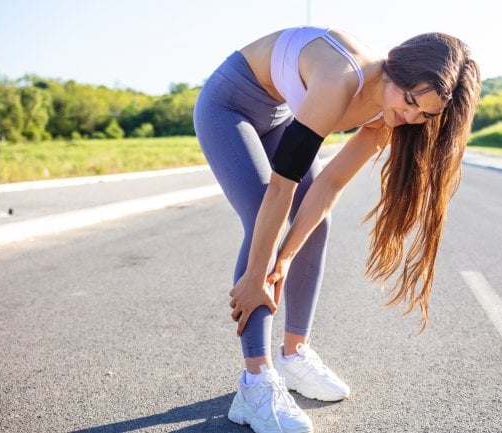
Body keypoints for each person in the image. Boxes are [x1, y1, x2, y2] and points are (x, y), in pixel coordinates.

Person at [193, 26, 481, 433]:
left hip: (278, 114)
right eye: (411, 101)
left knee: (317, 224)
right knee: (262, 213)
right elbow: (281, 189)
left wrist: (287, 258)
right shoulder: (340, 80)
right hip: (228, 107)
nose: (411, 117)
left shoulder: (389, 114)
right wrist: (258, 277)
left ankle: (294, 355)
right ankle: (255, 383)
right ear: (395, 67)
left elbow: (328, 186)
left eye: (426, 115)